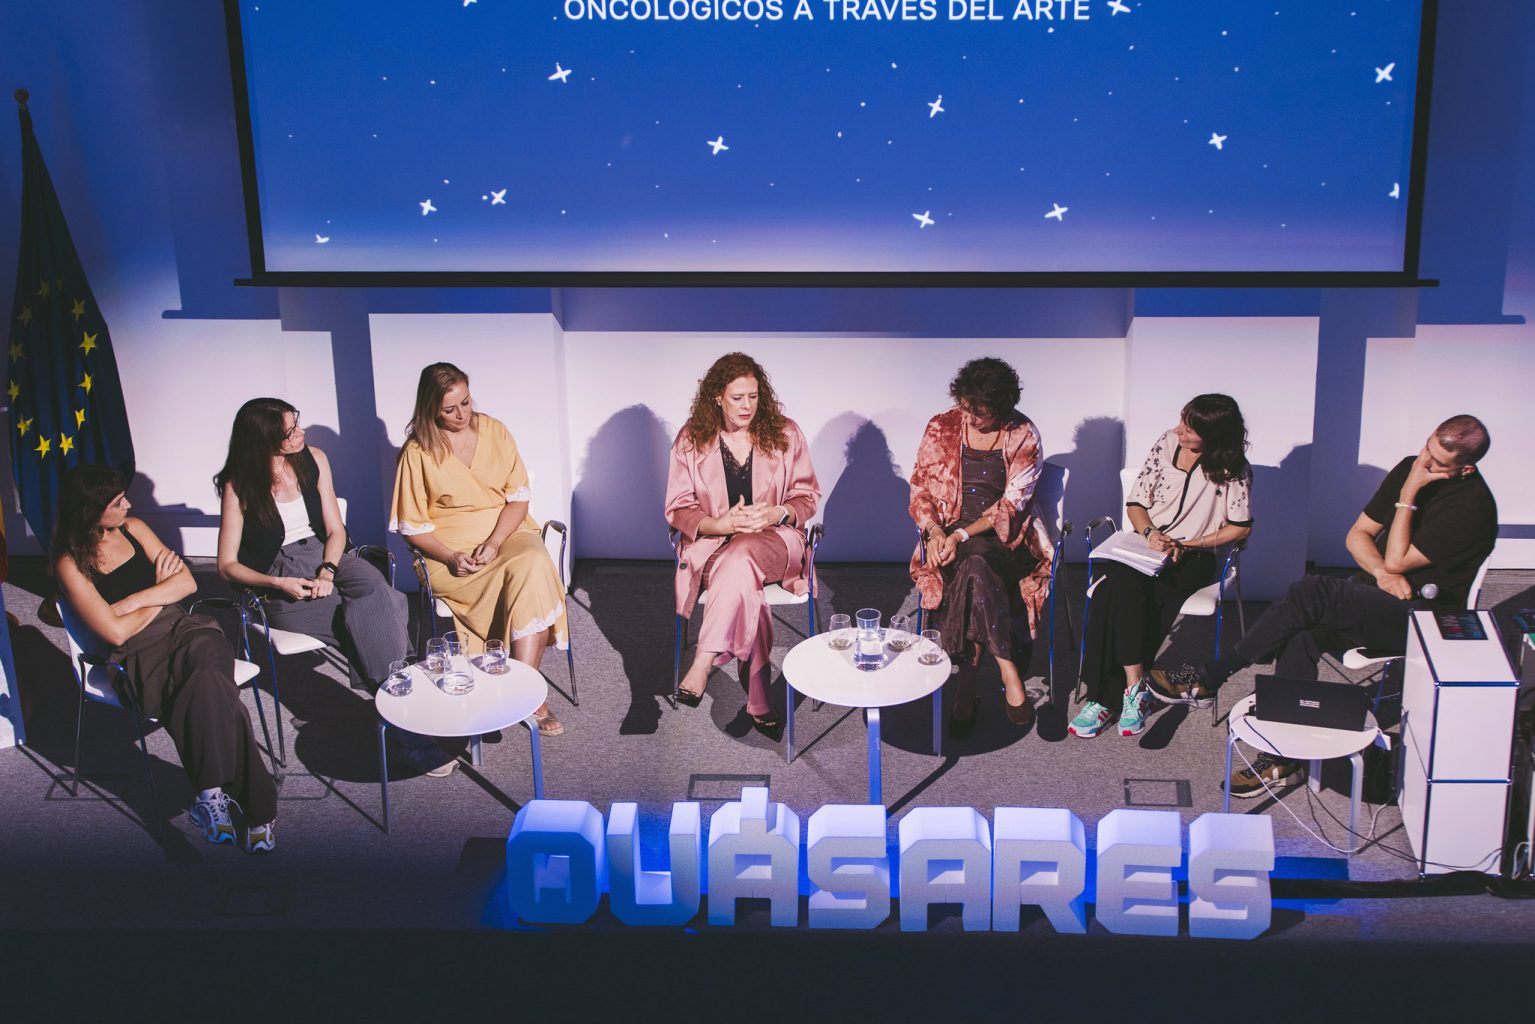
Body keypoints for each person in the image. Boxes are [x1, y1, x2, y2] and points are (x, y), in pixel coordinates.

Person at [1149, 415, 1497, 796]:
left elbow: (1398, 559)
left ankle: (1210, 677)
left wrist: (1409, 493)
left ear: (1465, 469)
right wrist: (1381, 572)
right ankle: (1283, 757)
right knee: (1301, 631)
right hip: (1375, 595)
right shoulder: (1411, 466)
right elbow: (1357, 536)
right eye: (1426, 449)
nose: (1424, 464)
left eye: (1437, 463)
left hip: (1422, 619)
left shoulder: (1473, 508)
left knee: (1311, 592)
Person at [214, 398, 453, 777]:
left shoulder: (314, 459)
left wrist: (328, 570)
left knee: (377, 589)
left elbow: (335, 529)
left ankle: (397, 707)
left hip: (328, 553)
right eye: (289, 431)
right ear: (264, 440)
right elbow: (227, 566)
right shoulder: (239, 485)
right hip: (279, 573)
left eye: (297, 424)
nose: (300, 433)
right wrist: (277, 583)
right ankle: (408, 726)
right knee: (363, 616)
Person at [53, 465, 279, 852]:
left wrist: (131, 602)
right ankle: (259, 812)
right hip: (136, 653)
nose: (128, 504)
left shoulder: (135, 529)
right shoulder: (70, 564)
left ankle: (209, 795)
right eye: (117, 502)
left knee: (206, 662)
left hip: (187, 628)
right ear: (91, 511)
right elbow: (115, 634)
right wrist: (161, 591)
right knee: (217, 693)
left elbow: (187, 583)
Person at [390, 363, 569, 736]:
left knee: (533, 564)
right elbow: (412, 527)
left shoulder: (494, 431)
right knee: (527, 577)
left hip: (506, 533)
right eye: (449, 409)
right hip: (447, 552)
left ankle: (520, 691)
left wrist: (495, 541)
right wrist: (451, 556)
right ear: (430, 409)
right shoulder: (417, 452)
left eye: (466, 402)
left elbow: (518, 499)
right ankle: (527, 697)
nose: (461, 415)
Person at [1071, 395, 1253, 739]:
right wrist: (1150, 534)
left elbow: (1240, 527)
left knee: (1116, 592)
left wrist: (1190, 544)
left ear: (1214, 436)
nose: (1179, 430)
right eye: (1182, 420)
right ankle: (1134, 688)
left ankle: (1102, 698)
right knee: (1117, 588)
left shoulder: (1234, 468)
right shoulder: (1166, 443)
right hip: (1145, 544)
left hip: (1196, 554)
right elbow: (1136, 503)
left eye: (1190, 428)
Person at [666, 352, 820, 737]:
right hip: (714, 547)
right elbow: (678, 507)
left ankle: (703, 661)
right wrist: (719, 524)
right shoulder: (691, 439)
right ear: (717, 396)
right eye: (737, 398)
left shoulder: (785, 433)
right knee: (740, 573)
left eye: (753, 396)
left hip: (776, 542)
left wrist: (777, 514)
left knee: (743, 555)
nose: (747, 406)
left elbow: (807, 498)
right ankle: (759, 699)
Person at [908, 357, 1053, 735]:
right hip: (948, 538)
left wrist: (960, 536)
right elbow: (920, 488)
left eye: (981, 412)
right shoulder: (941, 427)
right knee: (974, 570)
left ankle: (966, 685)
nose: (970, 418)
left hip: (1008, 540)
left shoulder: (1023, 434)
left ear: (1002, 408)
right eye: (966, 407)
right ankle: (1007, 668)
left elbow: (1011, 507)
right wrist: (936, 533)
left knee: (975, 561)